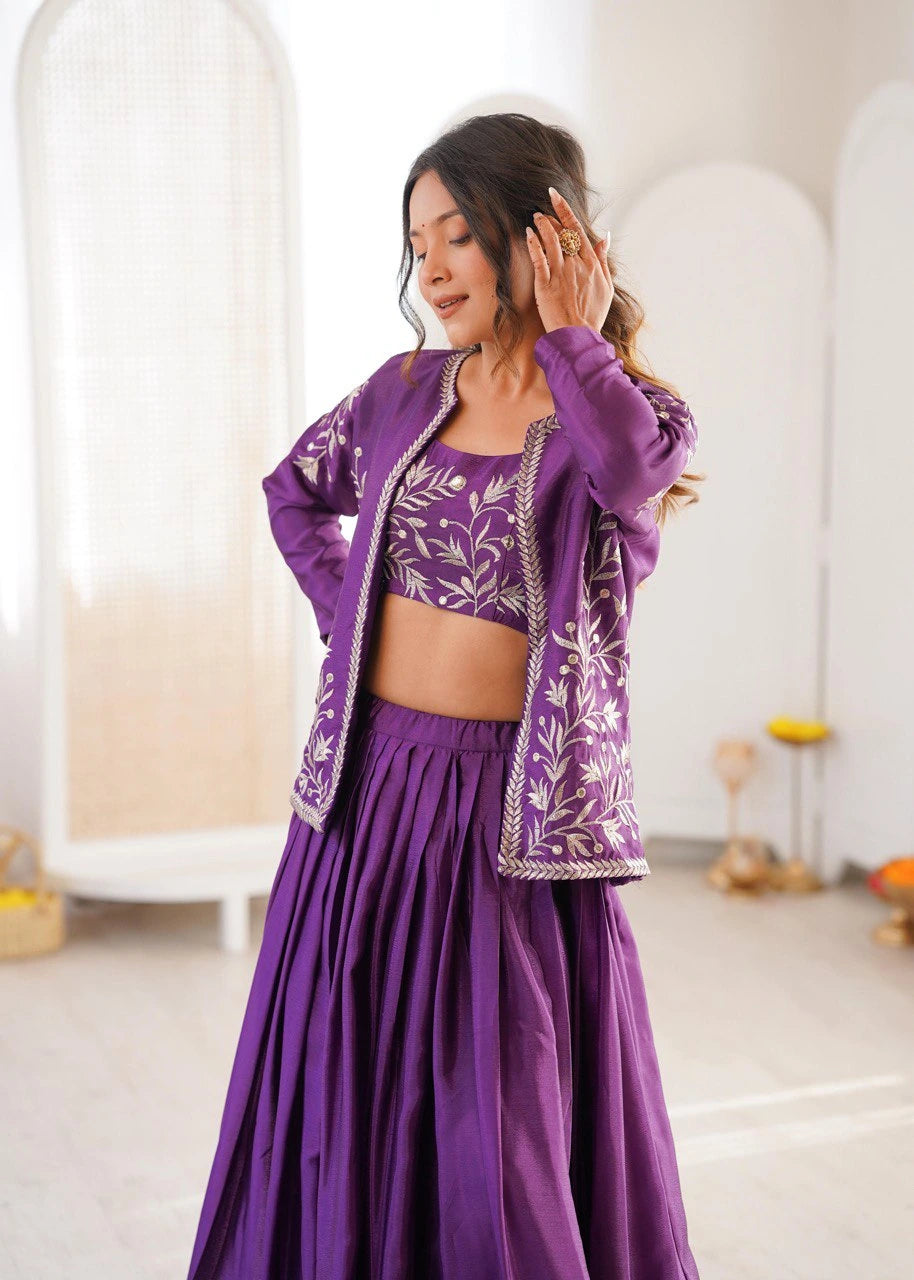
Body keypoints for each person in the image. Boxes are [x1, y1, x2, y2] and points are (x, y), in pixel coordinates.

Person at [187, 111, 704, 1280]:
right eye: (415, 239)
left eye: (456, 234)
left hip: (506, 819)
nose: (427, 265)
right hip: (365, 791)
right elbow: (293, 493)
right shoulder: (402, 389)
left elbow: (628, 475)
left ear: (543, 237)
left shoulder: (619, 414)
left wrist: (576, 339)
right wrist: (349, 620)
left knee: (497, 1110)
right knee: (344, 1084)